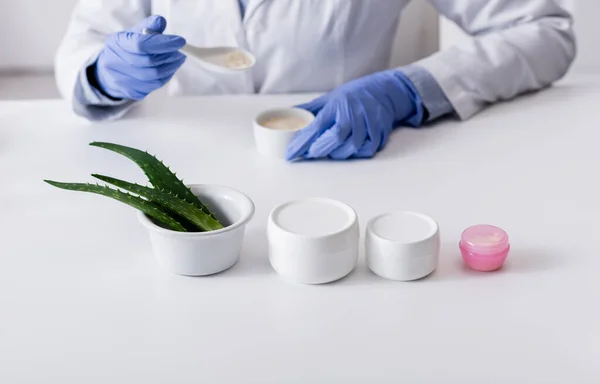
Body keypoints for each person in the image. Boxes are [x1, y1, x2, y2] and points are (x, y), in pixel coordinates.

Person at [55, 0, 576, 161]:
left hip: (346, 157)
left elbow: (545, 30)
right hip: (192, 162)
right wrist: (104, 74)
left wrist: (411, 89)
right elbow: (88, 39)